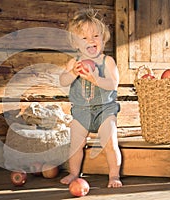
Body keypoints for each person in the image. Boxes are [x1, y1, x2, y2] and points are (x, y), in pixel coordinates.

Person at [59, 8, 122, 188]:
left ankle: (114, 175)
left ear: (103, 39)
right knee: (75, 145)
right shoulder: (74, 63)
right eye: (84, 38)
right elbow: (63, 81)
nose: (91, 41)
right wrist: (72, 73)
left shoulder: (107, 61)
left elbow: (113, 84)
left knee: (111, 143)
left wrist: (96, 79)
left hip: (104, 110)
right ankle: (73, 173)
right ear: (76, 43)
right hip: (81, 112)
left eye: (96, 36)